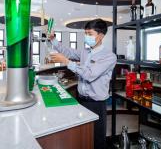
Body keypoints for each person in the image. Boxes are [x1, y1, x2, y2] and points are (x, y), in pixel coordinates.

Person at [49, 19, 117, 149]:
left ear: (101, 35)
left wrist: (67, 62)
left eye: (90, 33)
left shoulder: (109, 56)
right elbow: (67, 51)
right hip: (81, 100)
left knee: (97, 140)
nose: (86, 36)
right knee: (83, 136)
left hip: (96, 104)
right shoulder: (85, 52)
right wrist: (53, 39)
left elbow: (90, 74)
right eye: (85, 33)